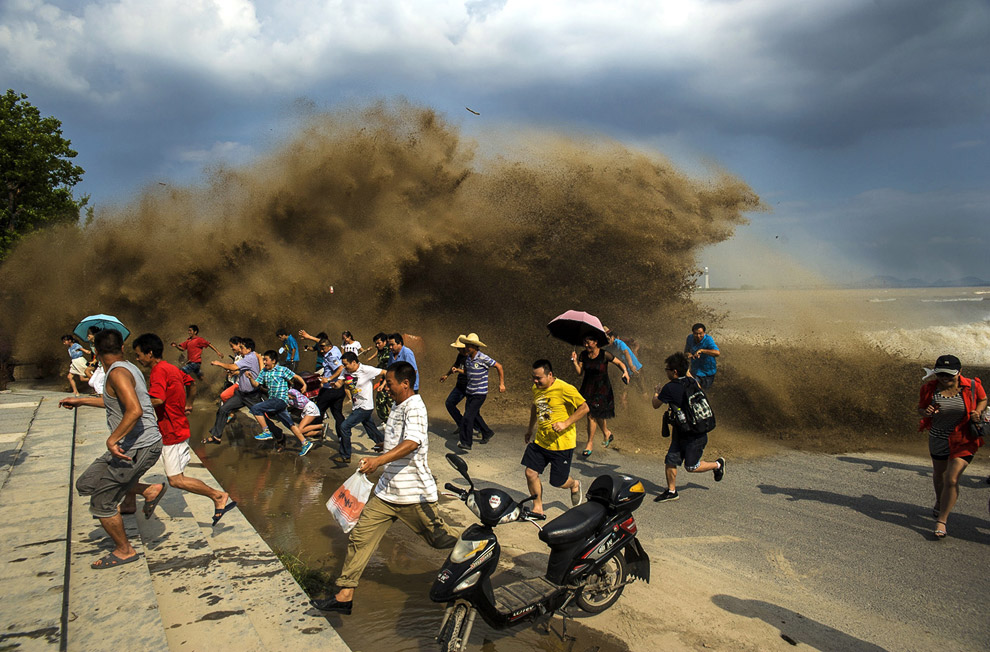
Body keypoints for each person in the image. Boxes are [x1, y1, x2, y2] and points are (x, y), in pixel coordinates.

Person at [310, 361, 458, 615]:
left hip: (413, 494)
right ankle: (345, 595)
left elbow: (412, 442)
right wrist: (384, 450)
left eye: (389, 383)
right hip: (387, 492)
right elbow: (401, 441)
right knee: (360, 537)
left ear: (405, 384)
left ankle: (479, 553)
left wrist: (379, 460)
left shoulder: (415, 407)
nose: (384, 388)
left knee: (441, 540)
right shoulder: (399, 404)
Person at [59, 329, 165, 569]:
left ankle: (125, 550)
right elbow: (114, 402)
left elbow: (135, 410)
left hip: (139, 446)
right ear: (122, 348)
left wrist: (112, 439)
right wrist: (80, 400)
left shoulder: (118, 373)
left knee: (102, 502)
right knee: (86, 484)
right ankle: (148, 490)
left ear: (95, 351)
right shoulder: (124, 368)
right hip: (131, 445)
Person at [128, 333, 237, 524]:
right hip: (175, 427)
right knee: (133, 464)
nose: (137, 358)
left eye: (139, 354)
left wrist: (133, 404)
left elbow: (158, 399)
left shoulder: (158, 372)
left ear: (150, 353)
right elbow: (191, 384)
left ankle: (218, 496)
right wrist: (188, 403)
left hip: (172, 432)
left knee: (176, 480)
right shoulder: (171, 368)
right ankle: (130, 500)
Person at [917, 354, 987, 539]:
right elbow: (920, 409)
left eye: (949, 375)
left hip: (964, 440)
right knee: (939, 475)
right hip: (938, 438)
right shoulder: (929, 389)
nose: (945, 378)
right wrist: (927, 411)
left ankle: (942, 520)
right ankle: (940, 501)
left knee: (951, 478)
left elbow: (983, 399)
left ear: (959, 372)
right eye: (941, 375)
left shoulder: (972, 386)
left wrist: (978, 412)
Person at [652, 352, 724, 502]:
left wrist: (656, 393)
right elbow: (692, 380)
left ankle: (717, 464)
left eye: (668, 369)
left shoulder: (669, 388)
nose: (666, 371)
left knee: (691, 467)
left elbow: (655, 405)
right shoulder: (692, 382)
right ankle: (671, 491)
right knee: (670, 459)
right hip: (685, 431)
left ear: (675, 372)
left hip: (694, 435)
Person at [523, 359, 589, 515]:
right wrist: (530, 429)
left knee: (558, 482)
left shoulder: (565, 388)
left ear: (550, 374)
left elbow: (585, 407)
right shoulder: (536, 388)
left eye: (539, 378)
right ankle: (538, 507)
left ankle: (574, 484)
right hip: (541, 440)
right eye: (533, 377)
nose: (535, 381)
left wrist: (565, 423)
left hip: (562, 444)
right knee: (530, 473)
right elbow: (536, 407)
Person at [204, 337, 283, 444]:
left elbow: (233, 366)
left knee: (263, 418)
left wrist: (220, 363)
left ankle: (279, 436)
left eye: (242, 347)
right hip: (241, 394)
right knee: (223, 409)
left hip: (252, 396)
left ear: (249, 349)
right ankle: (216, 436)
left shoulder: (249, 358)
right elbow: (241, 370)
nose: (240, 350)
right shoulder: (249, 356)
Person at [245, 350, 314, 456]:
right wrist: (250, 378)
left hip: (280, 400)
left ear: (273, 361)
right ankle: (305, 443)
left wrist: (304, 384)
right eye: (263, 359)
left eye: (266, 360)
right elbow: (256, 384)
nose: (264, 362)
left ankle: (266, 431)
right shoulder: (264, 371)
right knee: (289, 424)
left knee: (255, 408)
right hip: (274, 402)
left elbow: (296, 376)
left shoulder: (282, 370)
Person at [571, 335, 628, 457]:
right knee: (596, 413)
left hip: (602, 388)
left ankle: (589, 443)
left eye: (588, 342)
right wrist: (575, 362)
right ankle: (607, 433)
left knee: (591, 414)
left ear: (595, 342)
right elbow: (579, 373)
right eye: (584, 342)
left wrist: (625, 372)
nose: (586, 345)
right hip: (588, 387)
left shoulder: (604, 354)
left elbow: (619, 363)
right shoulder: (583, 355)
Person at [336, 351, 387, 462]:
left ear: (354, 362)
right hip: (357, 405)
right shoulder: (345, 371)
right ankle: (389, 447)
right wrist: (333, 384)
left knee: (344, 426)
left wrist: (384, 384)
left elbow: (385, 372)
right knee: (372, 430)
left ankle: (345, 455)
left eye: (346, 364)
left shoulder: (366, 370)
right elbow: (339, 383)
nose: (344, 367)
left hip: (365, 407)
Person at [456, 333, 504, 450]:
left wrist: (501, 383)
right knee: (475, 415)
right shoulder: (467, 359)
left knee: (468, 417)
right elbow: (468, 372)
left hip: (480, 393)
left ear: (475, 347)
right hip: (470, 392)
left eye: (469, 346)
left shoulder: (483, 358)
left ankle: (466, 442)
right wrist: (457, 370)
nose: (466, 348)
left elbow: (499, 366)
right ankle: (487, 432)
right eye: (466, 345)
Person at [440, 334, 488, 436]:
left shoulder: (473, 357)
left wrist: (458, 370)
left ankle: (480, 430)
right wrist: (447, 375)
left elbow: (469, 372)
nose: (458, 350)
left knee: (472, 412)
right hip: (460, 386)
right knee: (449, 403)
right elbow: (455, 365)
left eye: (459, 348)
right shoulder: (460, 356)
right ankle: (462, 424)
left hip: (471, 387)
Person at [170, 325, 223, 411]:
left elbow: (209, 344)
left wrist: (218, 352)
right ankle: (214, 390)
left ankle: (177, 397)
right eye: (188, 331)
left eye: (190, 331)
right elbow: (182, 348)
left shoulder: (199, 340)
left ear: (195, 332)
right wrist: (176, 345)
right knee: (201, 378)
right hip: (193, 363)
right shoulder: (188, 341)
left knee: (180, 373)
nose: (189, 332)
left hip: (195, 363)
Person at [605, 328, 645, 402]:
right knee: (623, 396)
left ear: (613, 337)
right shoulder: (608, 348)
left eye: (608, 339)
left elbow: (626, 352)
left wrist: (631, 365)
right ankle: (626, 411)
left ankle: (648, 406)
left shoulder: (619, 343)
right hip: (625, 372)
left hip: (635, 368)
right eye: (605, 340)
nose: (607, 341)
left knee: (642, 392)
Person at [684, 323, 720, 391]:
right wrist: (688, 354)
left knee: (703, 392)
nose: (698, 336)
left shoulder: (708, 340)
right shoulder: (689, 338)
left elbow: (717, 353)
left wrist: (702, 350)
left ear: (704, 333)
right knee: (692, 390)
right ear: (693, 333)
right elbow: (685, 352)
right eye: (696, 334)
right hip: (695, 372)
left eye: (700, 333)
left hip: (708, 373)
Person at [367, 332, 392, 422]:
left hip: (393, 380)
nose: (377, 345)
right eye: (376, 344)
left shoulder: (390, 351)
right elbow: (381, 365)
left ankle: (400, 421)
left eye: (379, 343)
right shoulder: (380, 351)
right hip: (385, 378)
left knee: (392, 402)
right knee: (380, 401)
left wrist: (386, 383)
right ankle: (387, 421)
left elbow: (390, 368)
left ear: (385, 342)